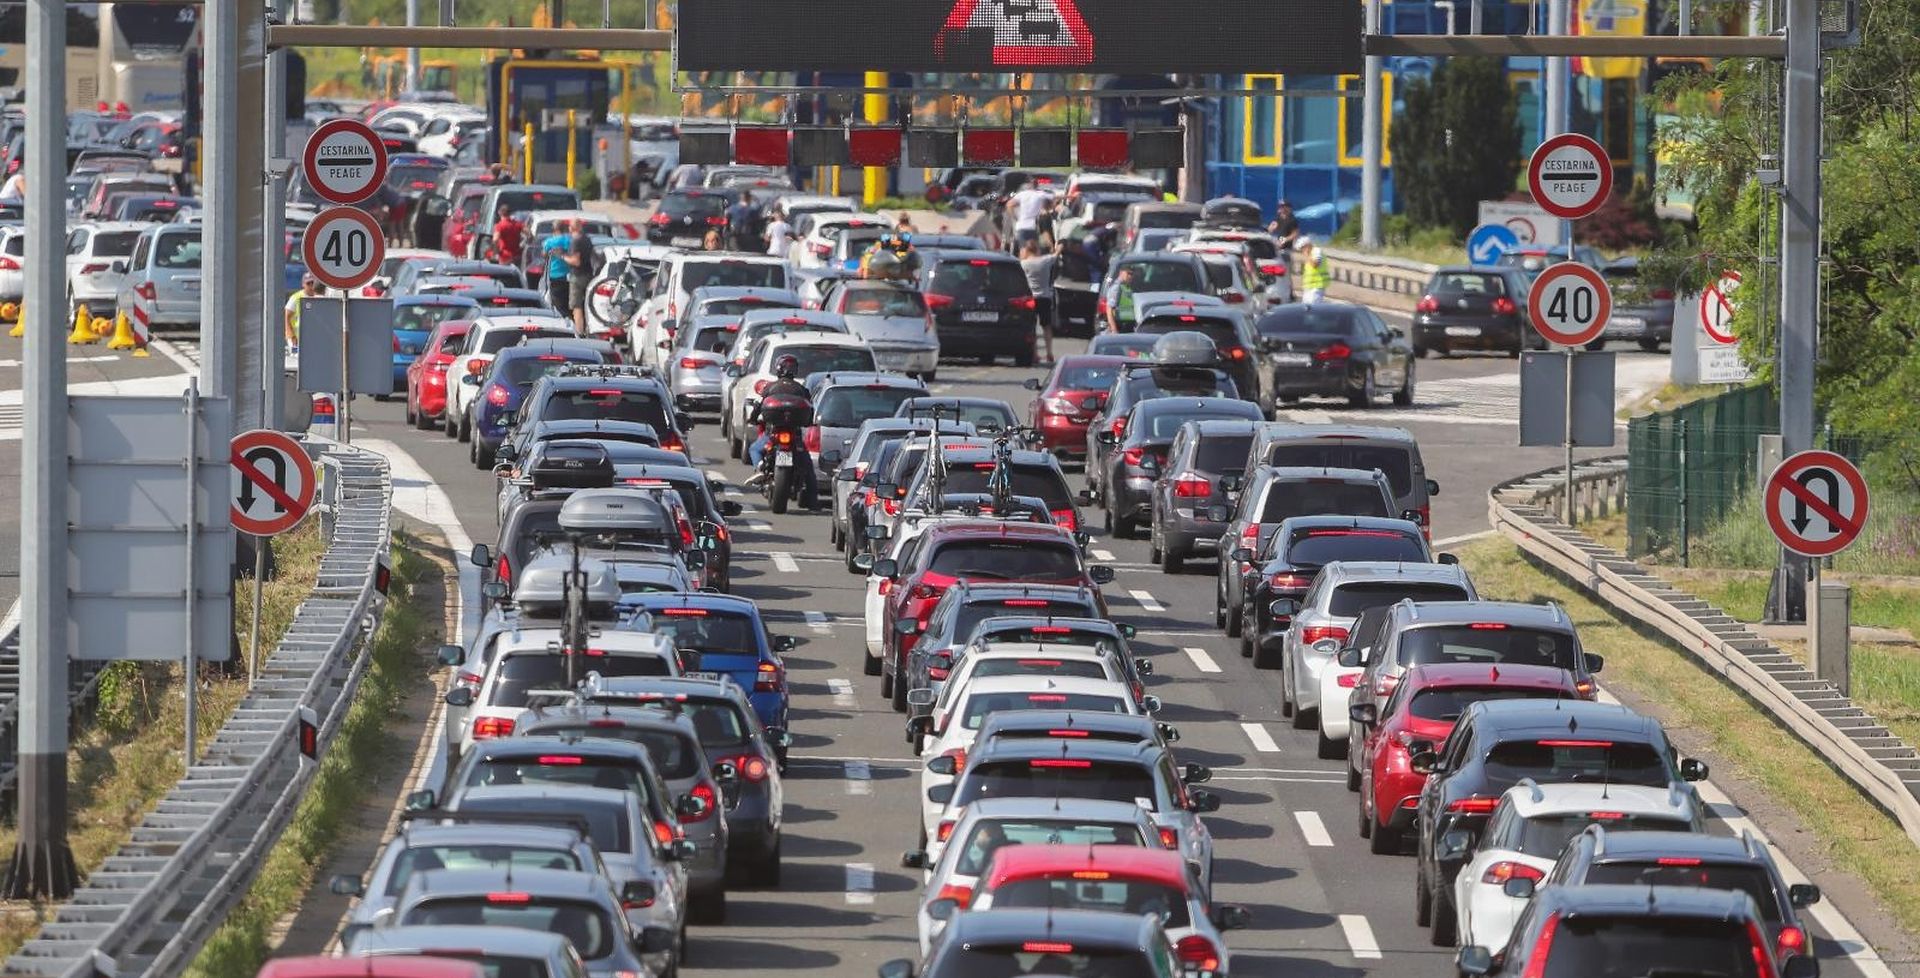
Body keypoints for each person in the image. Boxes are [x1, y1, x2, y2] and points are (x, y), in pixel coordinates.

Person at [745, 355, 818, 503]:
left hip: (774, 433)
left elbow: (758, 406)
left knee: (754, 449)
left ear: (778, 369)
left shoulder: (770, 387)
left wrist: (753, 419)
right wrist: (809, 423)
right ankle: (812, 499)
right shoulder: (801, 389)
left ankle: (759, 468)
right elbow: (811, 411)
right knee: (808, 466)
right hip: (793, 436)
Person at [1019, 241, 1056, 364]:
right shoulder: (1045, 261)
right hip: (1044, 297)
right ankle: (1049, 352)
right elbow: (1056, 255)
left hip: (1031, 298)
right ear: (1037, 250)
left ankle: (1035, 353)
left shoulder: (1023, 264)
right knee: (1046, 326)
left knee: (1032, 326)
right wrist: (1057, 246)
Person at [1005, 181, 1054, 250]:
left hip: (1025, 227)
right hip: (1028, 228)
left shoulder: (1024, 197)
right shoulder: (1035, 197)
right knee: (1026, 247)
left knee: (1024, 247)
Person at [567, 217, 595, 335]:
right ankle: (589, 328)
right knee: (587, 303)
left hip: (577, 276)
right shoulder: (587, 239)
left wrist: (564, 257)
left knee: (576, 305)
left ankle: (579, 331)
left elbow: (576, 261)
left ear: (572, 228)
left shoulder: (576, 241)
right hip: (589, 274)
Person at [284, 274, 323, 352]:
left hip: (311, 338)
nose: (311, 286)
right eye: (308, 283)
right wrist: (291, 336)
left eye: (312, 283)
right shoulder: (296, 297)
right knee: (296, 358)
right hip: (296, 338)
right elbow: (286, 317)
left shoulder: (319, 298)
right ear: (303, 284)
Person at [541, 221, 573, 316]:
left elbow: (544, 255)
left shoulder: (549, 242)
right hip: (568, 275)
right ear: (564, 229)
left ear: (554, 229)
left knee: (557, 303)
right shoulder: (569, 240)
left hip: (554, 275)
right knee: (568, 301)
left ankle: (562, 320)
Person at [1104, 266, 1136, 333]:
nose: (1130, 276)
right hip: (1119, 326)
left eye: (1132, 274)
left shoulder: (1125, 286)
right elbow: (1109, 309)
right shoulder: (1117, 287)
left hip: (1127, 325)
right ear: (1121, 273)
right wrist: (1114, 330)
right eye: (1128, 273)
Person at [1298, 235, 1329, 303]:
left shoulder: (1316, 251)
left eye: (1302, 248)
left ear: (1307, 245)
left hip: (1316, 286)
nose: (1302, 251)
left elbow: (1315, 264)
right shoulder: (1311, 254)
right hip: (1309, 287)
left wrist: (1307, 255)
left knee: (1313, 308)